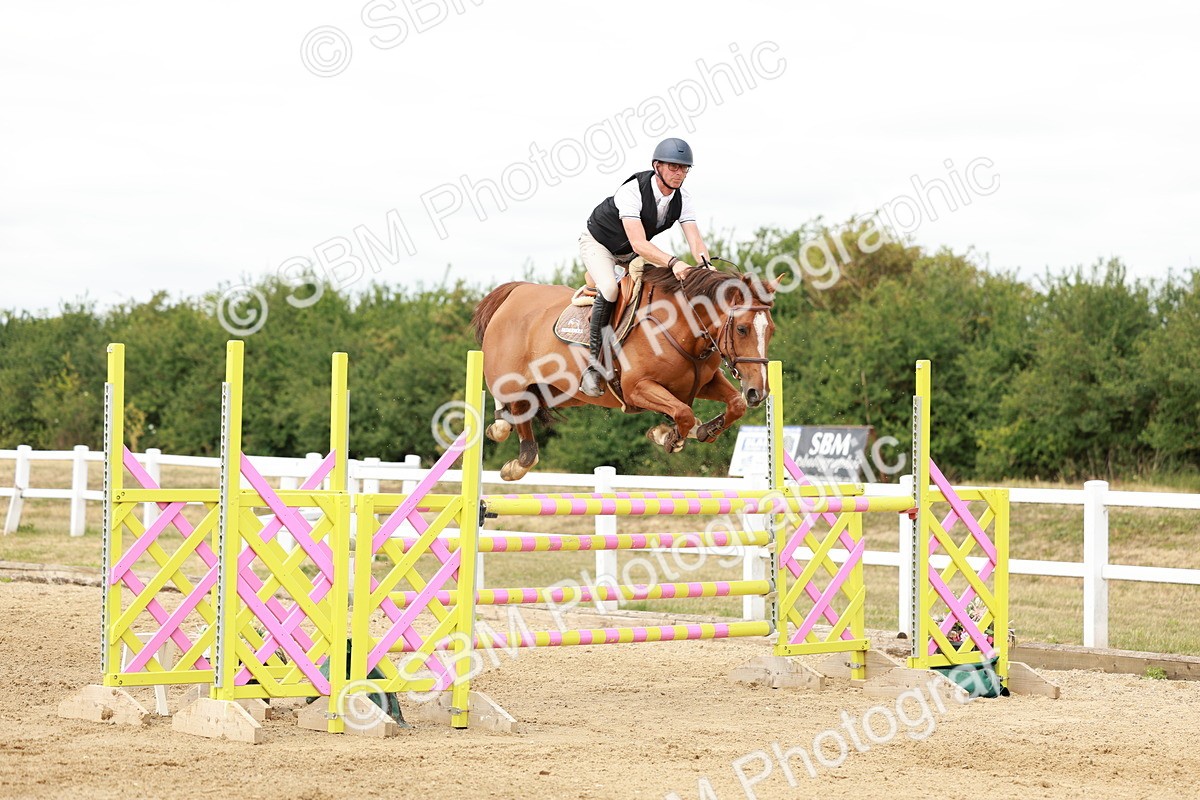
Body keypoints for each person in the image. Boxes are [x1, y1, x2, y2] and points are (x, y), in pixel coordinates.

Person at [577, 137, 713, 397]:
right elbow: (639, 243)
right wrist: (673, 262)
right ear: (657, 166)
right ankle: (594, 366)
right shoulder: (632, 191)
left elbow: (695, 240)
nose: (679, 173)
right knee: (610, 289)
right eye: (673, 167)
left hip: (629, 254)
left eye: (684, 168)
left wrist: (706, 268)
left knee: (658, 291)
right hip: (599, 245)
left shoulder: (683, 198)